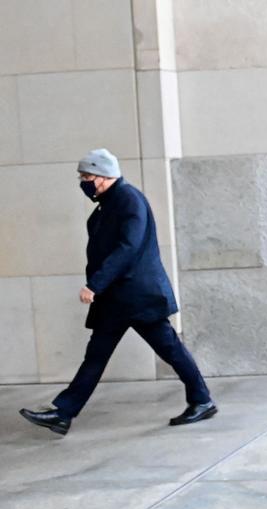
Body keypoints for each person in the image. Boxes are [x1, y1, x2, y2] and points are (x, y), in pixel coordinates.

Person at [19, 149, 217, 436]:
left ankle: (202, 400)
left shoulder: (128, 200)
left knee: (169, 348)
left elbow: (128, 248)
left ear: (102, 176)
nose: (83, 182)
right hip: (117, 299)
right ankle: (62, 413)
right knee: (96, 356)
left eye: (86, 176)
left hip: (137, 296)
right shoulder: (108, 204)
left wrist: (95, 284)